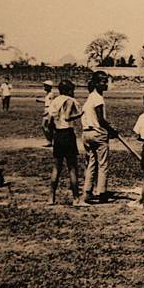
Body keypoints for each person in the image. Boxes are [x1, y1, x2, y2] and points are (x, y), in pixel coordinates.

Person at [47, 80, 85, 206]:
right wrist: (80, 114)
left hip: (57, 135)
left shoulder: (55, 101)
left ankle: (51, 198)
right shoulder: (69, 100)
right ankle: (76, 199)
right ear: (69, 90)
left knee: (56, 168)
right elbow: (68, 117)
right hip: (67, 134)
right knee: (72, 168)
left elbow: (49, 122)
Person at [81, 71, 117, 204]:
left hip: (87, 134)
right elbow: (101, 120)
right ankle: (102, 193)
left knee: (91, 163)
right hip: (98, 134)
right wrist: (112, 130)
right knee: (103, 164)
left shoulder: (90, 97)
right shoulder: (97, 98)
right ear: (96, 83)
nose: (106, 84)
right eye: (103, 82)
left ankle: (88, 192)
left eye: (106, 81)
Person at [36, 80, 55, 146]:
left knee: (44, 126)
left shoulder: (51, 94)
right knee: (48, 126)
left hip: (49, 110)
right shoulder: (48, 94)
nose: (44, 87)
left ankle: (49, 141)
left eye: (45, 86)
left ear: (49, 87)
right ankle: (50, 141)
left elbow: (51, 104)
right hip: (47, 109)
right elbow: (47, 101)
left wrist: (47, 112)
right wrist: (40, 100)